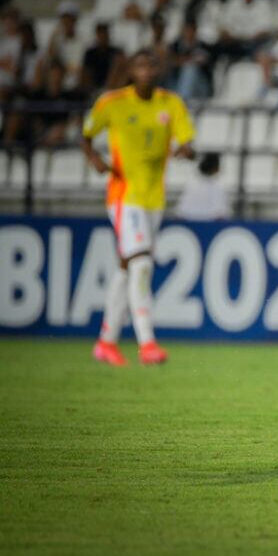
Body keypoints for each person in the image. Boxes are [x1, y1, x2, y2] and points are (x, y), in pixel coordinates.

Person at [81, 50, 196, 367]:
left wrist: (186, 150)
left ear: (159, 70)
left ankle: (106, 342)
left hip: (154, 198)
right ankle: (147, 343)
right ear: (131, 71)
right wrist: (95, 159)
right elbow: (86, 135)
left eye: (151, 66)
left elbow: (187, 140)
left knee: (126, 267)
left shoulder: (171, 103)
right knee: (142, 263)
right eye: (140, 66)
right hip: (123, 195)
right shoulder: (112, 102)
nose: (146, 72)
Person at [175, 152, 230, 221]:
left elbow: (180, 212)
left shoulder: (191, 184)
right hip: (209, 224)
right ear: (216, 169)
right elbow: (222, 214)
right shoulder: (218, 187)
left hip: (189, 222)